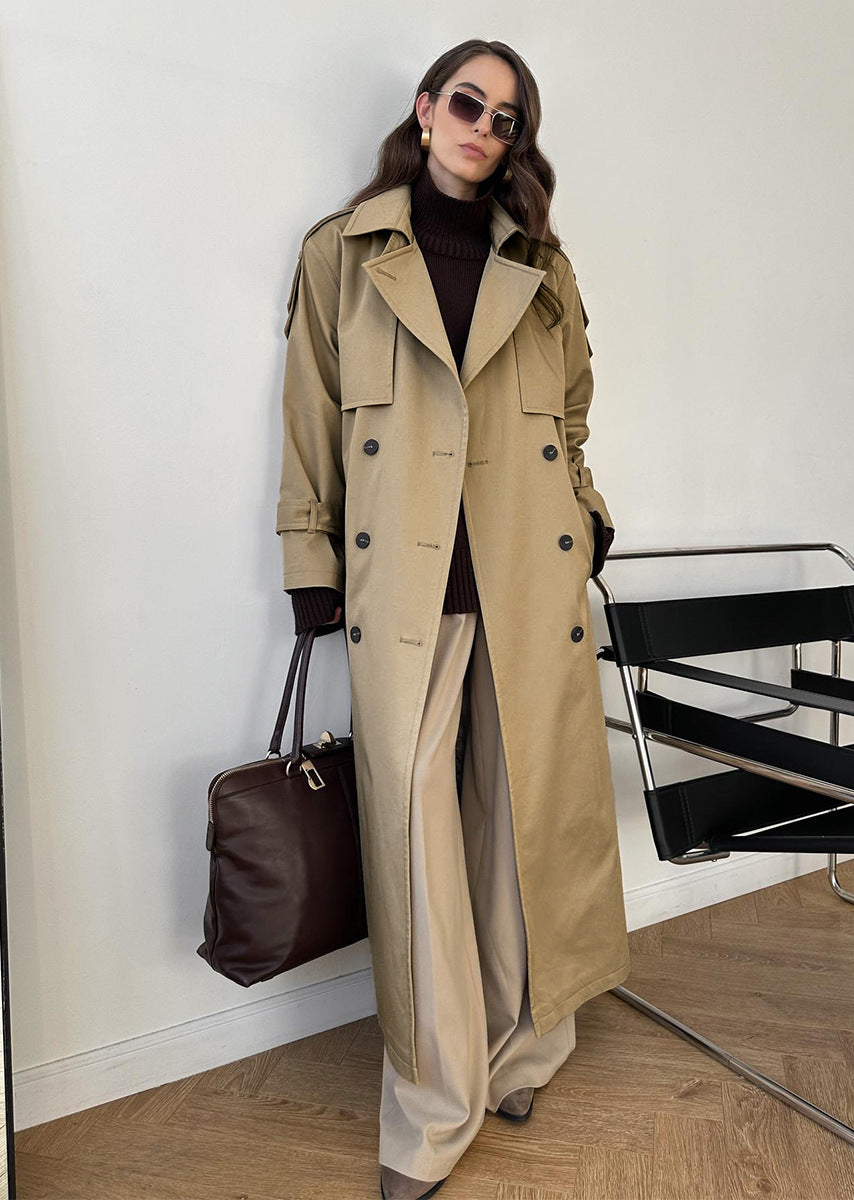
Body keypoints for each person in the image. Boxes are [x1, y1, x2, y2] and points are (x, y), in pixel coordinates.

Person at [276, 38, 631, 1200]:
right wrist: (308, 557)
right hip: (410, 592)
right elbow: (310, 416)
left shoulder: (543, 264)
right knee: (418, 846)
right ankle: (433, 1105)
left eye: (508, 117)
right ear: (427, 110)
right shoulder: (346, 254)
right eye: (467, 102)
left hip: (530, 582)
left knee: (521, 832)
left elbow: (572, 415)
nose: (484, 125)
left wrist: (585, 512)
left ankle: (526, 1048)